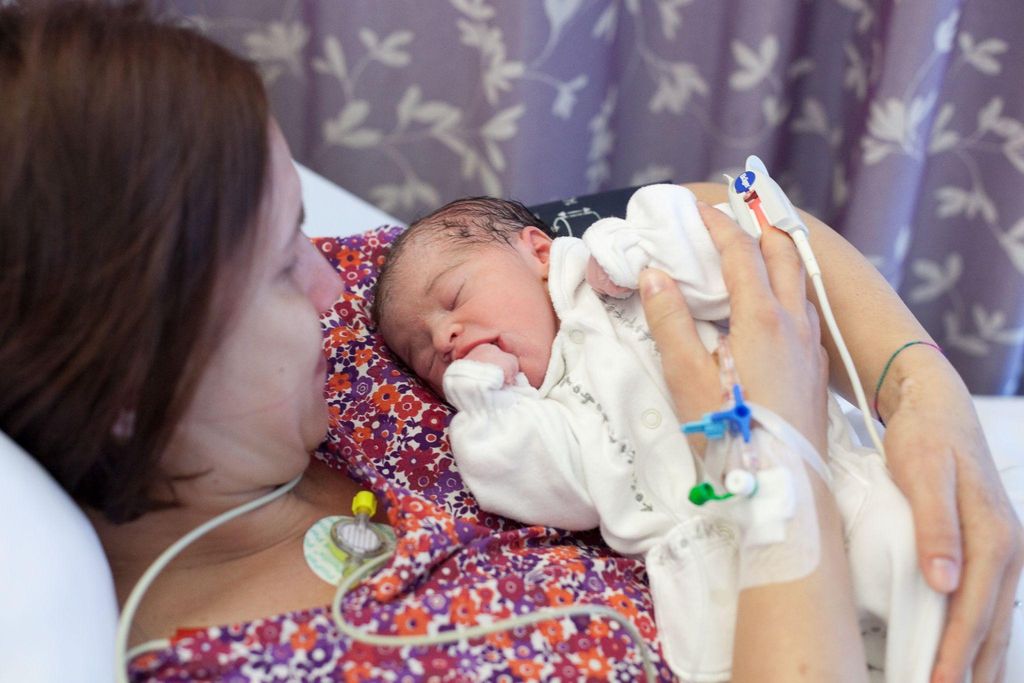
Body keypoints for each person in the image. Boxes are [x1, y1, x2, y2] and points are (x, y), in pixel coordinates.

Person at [0, 3, 1017, 683]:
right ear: (134, 380)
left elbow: (721, 219)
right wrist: (776, 441)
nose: (328, 277)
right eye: (277, 264)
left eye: (303, 228)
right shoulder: (255, 660)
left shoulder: (365, 308)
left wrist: (918, 390)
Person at [372, 187, 948, 681]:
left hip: (838, 489)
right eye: (425, 355)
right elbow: (557, 494)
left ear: (540, 252)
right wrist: (486, 403)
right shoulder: (534, 415)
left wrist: (634, 253)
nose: (445, 335)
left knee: (915, 570)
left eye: (453, 300)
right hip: (708, 567)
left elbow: (726, 259)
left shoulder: (614, 274)